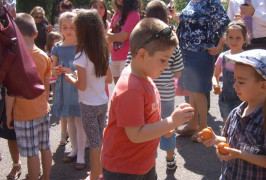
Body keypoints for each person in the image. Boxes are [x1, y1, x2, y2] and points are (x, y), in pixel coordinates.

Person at [101, 18, 194, 179]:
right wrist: (171, 121)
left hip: (143, 163)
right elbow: (136, 134)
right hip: (123, 169)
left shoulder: (145, 77)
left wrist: (164, 128)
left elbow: (147, 121)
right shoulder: (130, 88)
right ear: (142, 55)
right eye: (163, 60)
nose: (166, 66)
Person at [198, 49, 266, 180]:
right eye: (235, 79)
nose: (234, 85)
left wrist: (239, 154)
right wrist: (216, 139)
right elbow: (232, 141)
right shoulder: (236, 112)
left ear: (264, 86)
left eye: (241, 82)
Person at [125, 0, 184, 170]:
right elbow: (179, 72)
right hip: (165, 95)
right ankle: (170, 159)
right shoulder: (173, 44)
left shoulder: (137, 43)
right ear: (167, 20)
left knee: (149, 130)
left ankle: (151, 160)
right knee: (168, 125)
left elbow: (129, 67)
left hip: (142, 97)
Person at [65, 9, 112, 180]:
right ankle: (98, 172)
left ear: (83, 31)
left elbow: (82, 85)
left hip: (89, 106)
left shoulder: (81, 55)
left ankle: (93, 176)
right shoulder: (102, 50)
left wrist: (71, 79)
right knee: (99, 140)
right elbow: (108, 79)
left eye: (76, 28)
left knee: (94, 143)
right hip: (102, 102)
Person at [175, 0, 230, 142]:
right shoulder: (191, 2)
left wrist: (219, 46)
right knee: (191, 89)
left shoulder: (211, 2)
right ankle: (193, 124)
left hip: (202, 51)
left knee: (198, 90)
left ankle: (203, 128)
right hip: (186, 51)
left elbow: (226, 24)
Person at [6, 13, 52, 180]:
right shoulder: (44, 56)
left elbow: (11, 92)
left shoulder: (14, 59)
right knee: (45, 147)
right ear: (36, 34)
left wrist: (8, 114)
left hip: (24, 114)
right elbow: (46, 87)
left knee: (32, 153)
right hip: (42, 109)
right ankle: (46, 177)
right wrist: (44, 102)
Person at [50, 12, 87, 170]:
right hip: (64, 87)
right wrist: (57, 71)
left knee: (79, 120)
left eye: (72, 27)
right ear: (60, 28)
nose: (68, 30)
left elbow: (85, 70)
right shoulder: (57, 47)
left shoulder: (81, 46)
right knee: (70, 119)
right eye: (64, 27)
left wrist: (70, 71)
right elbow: (53, 70)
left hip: (77, 88)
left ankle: (81, 154)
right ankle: (74, 149)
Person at [212, 21, 246, 124]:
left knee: (241, 126)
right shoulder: (223, 57)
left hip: (243, 99)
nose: (234, 41)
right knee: (227, 126)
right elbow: (215, 75)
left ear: (245, 39)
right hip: (225, 98)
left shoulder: (247, 58)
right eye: (230, 37)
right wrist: (215, 85)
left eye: (238, 38)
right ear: (226, 39)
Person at [106, 0, 140, 84]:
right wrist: (113, 36)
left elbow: (123, 36)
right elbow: (109, 34)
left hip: (126, 58)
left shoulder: (133, 14)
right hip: (114, 57)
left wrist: (112, 36)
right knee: (118, 89)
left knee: (126, 89)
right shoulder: (116, 14)